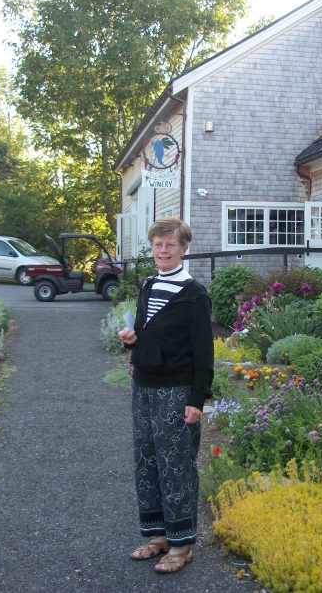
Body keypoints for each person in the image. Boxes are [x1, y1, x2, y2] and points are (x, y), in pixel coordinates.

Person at [118, 217, 214, 574]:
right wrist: (130, 340)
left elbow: (204, 354)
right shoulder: (148, 284)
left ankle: (181, 545)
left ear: (183, 249)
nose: (163, 250)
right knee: (147, 462)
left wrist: (196, 400)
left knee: (176, 466)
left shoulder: (194, 295)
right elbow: (145, 333)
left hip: (176, 391)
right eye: (158, 244)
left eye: (170, 244)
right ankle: (158, 536)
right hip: (144, 387)